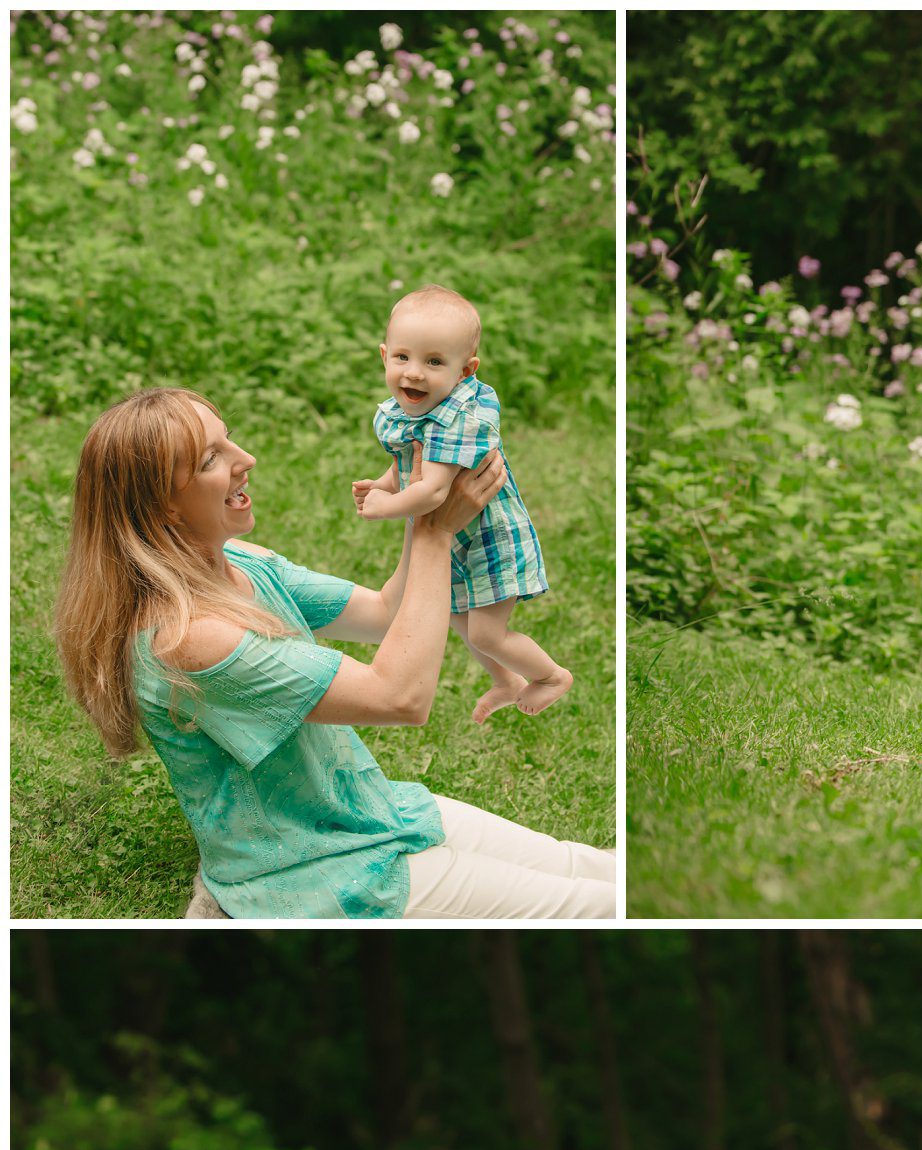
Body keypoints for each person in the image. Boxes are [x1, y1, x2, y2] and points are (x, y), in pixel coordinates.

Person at [51, 388, 614, 917]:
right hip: (320, 872)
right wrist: (436, 534)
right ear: (163, 509)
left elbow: (387, 612)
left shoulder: (238, 563)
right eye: (209, 460)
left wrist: (422, 501)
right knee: (599, 907)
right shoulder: (189, 639)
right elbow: (401, 698)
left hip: (367, 813)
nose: (245, 458)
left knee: (594, 871)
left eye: (228, 440)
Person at [356, 285, 572, 722]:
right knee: (454, 616)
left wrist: (385, 507)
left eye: (434, 362)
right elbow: (407, 465)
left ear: (465, 370)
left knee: (488, 633)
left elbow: (435, 490)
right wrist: (384, 483)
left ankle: (550, 677)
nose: (414, 373)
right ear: (385, 356)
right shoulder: (409, 411)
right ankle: (505, 681)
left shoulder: (461, 417)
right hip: (459, 538)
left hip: (492, 539)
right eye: (403, 358)